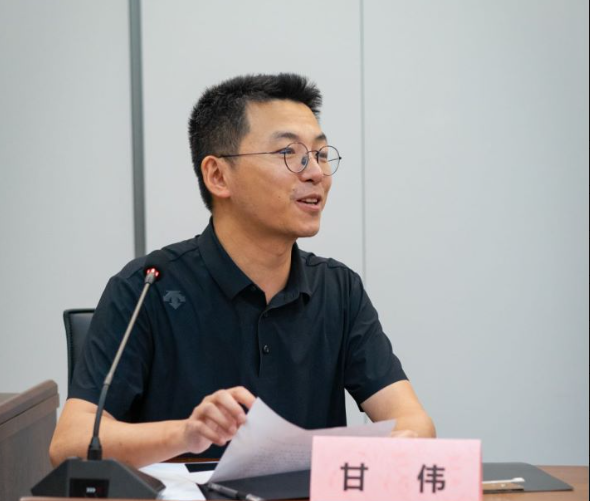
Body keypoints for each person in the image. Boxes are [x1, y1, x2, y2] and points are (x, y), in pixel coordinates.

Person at [49, 73, 435, 468]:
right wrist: (186, 434)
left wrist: (391, 446)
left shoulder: (339, 290)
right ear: (218, 176)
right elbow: (70, 443)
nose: (316, 173)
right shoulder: (148, 288)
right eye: (289, 153)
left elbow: (414, 422)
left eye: (320, 154)